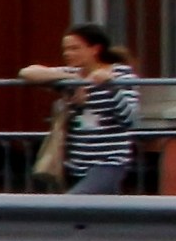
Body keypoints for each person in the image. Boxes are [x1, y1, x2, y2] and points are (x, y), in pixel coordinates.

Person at [22, 24, 137, 195]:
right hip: (76, 163)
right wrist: (74, 79)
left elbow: (130, 119)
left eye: (75, 48)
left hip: (108, 162)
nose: (68, 53)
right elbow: (27, 73)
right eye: (66, 49)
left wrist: (111, 88)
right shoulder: (71, 74)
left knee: (72, 205)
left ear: (95, 49)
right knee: (100, 215)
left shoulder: (121, 75)